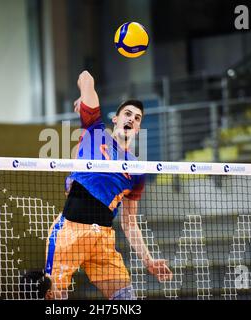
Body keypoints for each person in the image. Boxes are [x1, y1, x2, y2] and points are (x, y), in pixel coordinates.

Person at [45, 70, 172, 300]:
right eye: (127, 113)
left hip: (103, 241)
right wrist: (84, 95)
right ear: (116, 119)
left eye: (137, 117)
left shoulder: (137, 171)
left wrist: (148, 260)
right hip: (69, 233)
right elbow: (85, 75)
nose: (132, 119)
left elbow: (129, 222)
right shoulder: (94, 131)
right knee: (54, 300)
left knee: (126, 301)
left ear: (137, 128)